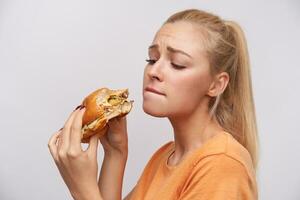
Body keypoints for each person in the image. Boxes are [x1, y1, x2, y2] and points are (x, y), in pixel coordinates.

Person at [48, 8, 259, 200]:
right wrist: (116, 154)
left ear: (216, 84)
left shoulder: (221, 163)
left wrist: (82, 190)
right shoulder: (166, 156)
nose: (153, 71)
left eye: (177, 64)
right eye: (152, 59)